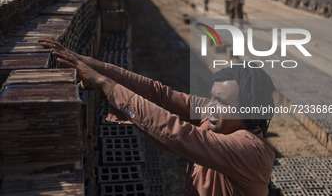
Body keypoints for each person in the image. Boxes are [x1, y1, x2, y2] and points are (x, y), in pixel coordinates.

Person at [38, 38, 275, 196]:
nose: (211, 106)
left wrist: (106, 85)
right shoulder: (218, 116)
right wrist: (92, 65)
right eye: (212, 97)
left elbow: (179, 134)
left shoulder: (251, 150)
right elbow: (157, 93)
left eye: (222, 101)